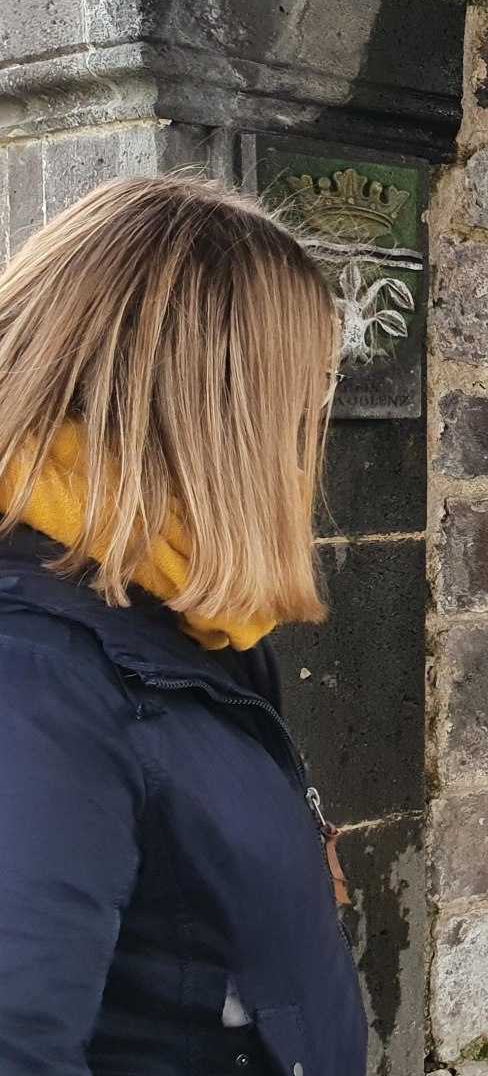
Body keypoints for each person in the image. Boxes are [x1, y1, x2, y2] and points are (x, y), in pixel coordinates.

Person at [0, 178, 365, 1074]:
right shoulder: (35, 667)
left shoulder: (179, 616)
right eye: (305, 397)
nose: (310, 435)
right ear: (220, 417)